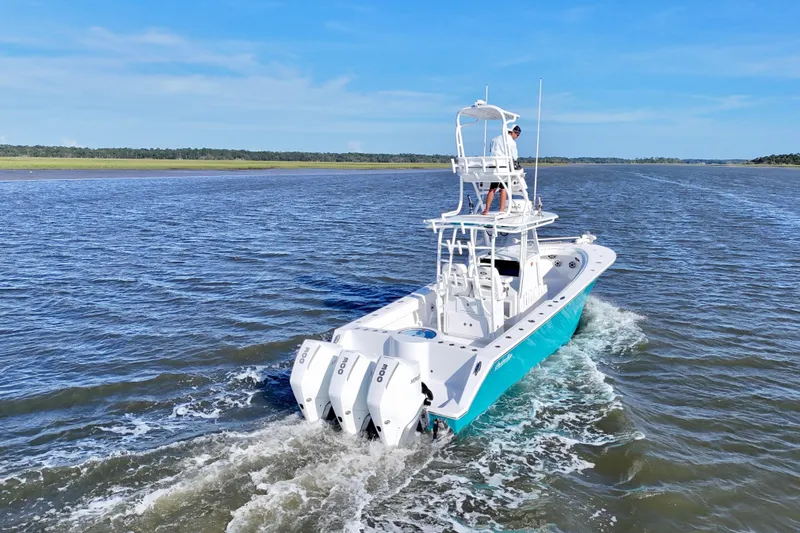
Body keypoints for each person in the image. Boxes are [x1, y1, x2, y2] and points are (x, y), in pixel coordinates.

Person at [482, 125, 521, 215]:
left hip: (493, 167)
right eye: (517, 134)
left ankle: (486, 210)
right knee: (503, 188)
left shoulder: (495, 139)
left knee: (492, 188)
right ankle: (502, 210)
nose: (517, 137)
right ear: (512, 132)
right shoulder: (511, 142)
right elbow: (514, 157)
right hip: (503, 168)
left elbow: (491, 151)